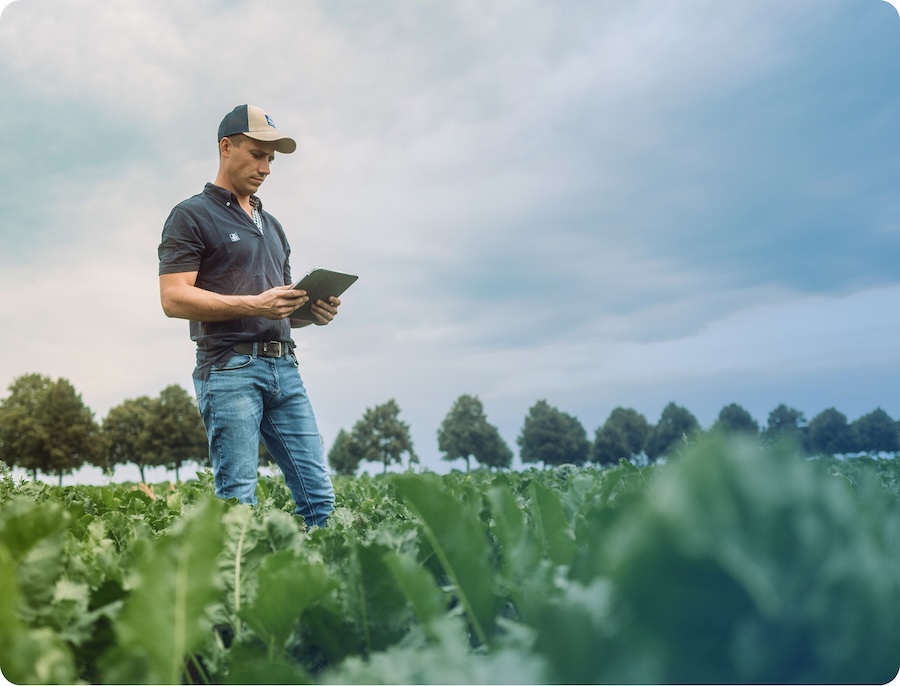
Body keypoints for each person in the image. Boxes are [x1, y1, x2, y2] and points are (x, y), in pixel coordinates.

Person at [158, 104, 339, 527]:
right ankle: (236, 589)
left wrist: (312, 312)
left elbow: (281, 306)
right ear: (226, 147)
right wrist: (255, 304)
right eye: (258, 155)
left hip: (285, 370)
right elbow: (173, 298)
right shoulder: (191, 215)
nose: (267, 168)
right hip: (229, 369)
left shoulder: (273, 226)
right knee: (238, 506)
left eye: (271, 159)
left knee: (320, 503)